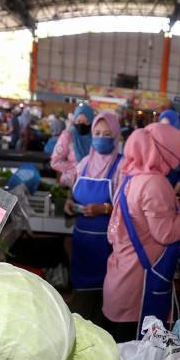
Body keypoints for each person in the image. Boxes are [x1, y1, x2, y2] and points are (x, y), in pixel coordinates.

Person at [104, 122, 180, 341]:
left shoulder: (131, 177)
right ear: (160, 150)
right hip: (139, 287)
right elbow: (165, 233)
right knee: (134, 357)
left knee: (118, 351)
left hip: (120, 277)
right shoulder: (154, 183)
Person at [65, 110, 125, 320]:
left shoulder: (121, 167)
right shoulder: (84, 164)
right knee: (81, 299)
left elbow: (126, 207)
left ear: (116, 136)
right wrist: (70, 204)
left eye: (107, 134)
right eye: (97, 133)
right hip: (82, 239)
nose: (100, 138)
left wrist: (104, 209)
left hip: (107, 244)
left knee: (102, 300)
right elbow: (72, 191)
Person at [51, 103, 95, 187]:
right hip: (69, 185)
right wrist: (76, 166)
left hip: (89, 185)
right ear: (74, 121)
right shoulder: (67, 137)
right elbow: (55, 162)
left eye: (86, 122)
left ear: (92, 122)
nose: (82, 125)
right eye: (78, 121)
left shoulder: (96, 139)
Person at [158, 109, 180, 194]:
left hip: (172, 192)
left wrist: (172, 198)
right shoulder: (155, 143)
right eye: (161, 126)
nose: (164, 130)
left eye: (168, 126)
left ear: (175, 126)